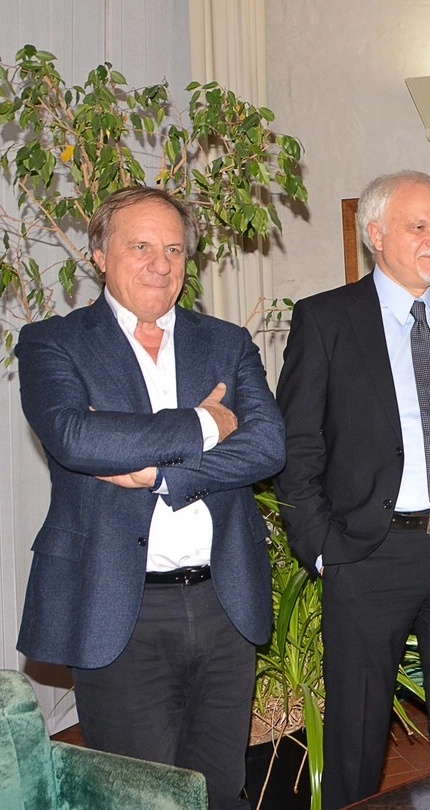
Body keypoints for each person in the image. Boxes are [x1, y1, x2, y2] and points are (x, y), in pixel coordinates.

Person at [15, 186, 285, 809]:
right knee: (140, 796)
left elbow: (268, 445)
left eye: (173, 249)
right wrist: (206, 424)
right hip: (119, 605)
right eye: (140, 246)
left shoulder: (226, 342)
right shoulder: (52, 342)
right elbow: (77, 436)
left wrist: (163, 476)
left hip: (224, 602)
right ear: (99, 255)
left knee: (219, 789)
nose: (160, 263)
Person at [274, 170, 430, 809]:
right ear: (375, 233)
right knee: (356, 737)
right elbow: (297, 445)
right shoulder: (326, 319)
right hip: (368, 553)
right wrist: (322, 548)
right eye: (420, 227)